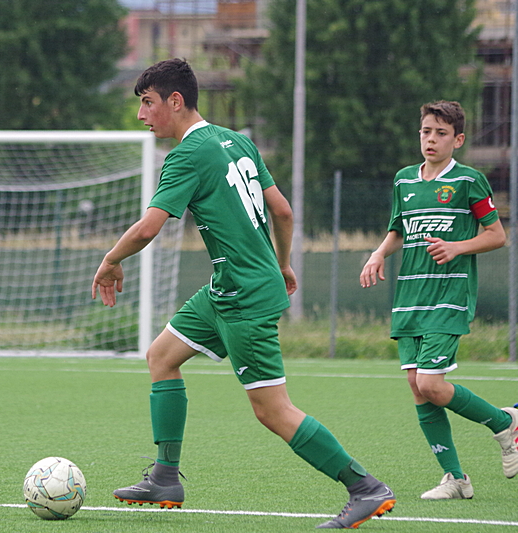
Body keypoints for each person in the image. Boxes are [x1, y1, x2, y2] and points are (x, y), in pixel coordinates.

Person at [92, 58, 395, 529]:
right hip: (229, 286)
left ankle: (365, 487)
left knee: (272, 410)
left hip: (243, 296)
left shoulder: (187, 155)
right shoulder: (237, 141)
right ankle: (165, 477)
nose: (141, 114)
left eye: (148, 103)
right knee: (161, 357)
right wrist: (282, 263)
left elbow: (149, 227)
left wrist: (111, 260)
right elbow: (283, 211)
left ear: (176, 101)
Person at [360, 100, 518, 499]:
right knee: (418, 387)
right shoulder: (404, 181)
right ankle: (456, 479)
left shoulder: (469, 181)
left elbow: (497, 235)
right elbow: (398, 230)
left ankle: (505, 423)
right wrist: (378, 254)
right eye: (426, 131)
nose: (431, 139)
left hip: (449, 295)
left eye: (441, 133)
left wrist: (457, 247)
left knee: (431, 383)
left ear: (458, 140)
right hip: (409, 298)